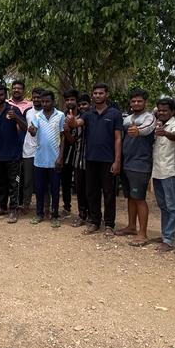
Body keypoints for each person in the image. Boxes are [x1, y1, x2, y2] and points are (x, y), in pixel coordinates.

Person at [68, 83, 123, 235]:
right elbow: (77, 123)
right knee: (92, 192)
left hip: (108, 160)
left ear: (107, 94)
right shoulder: (88, 114)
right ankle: (95, 222)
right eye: (95, 93)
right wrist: (72, 121)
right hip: (90, 159)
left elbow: (118, 138)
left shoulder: (115, 114)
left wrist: (117, 161)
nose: (97, 95)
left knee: (109, 193)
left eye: (101, 93)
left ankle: (109, 224)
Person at [118, 88, 156, 246]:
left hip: (140, 163)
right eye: (133, 101)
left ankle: (143, 233)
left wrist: (137, 130)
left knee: (139, 198)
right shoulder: (127, 119)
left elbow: (147, 129)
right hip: (127, 162)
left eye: (139, 101)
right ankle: (131, 226)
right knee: (130, 197)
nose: (136, 103)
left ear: (145, 102)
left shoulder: (149, 117)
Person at [0, 84, 27, 222]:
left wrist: (16, 118)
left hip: (13, 155)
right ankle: (2, 207)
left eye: (1, 95)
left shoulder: (13, 110)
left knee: (14, 184)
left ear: (5, 96)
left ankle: (14, 210)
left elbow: (25, 127)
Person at [28, 90, 66, 226]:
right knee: (39, 189)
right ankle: (39, 214)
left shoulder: (60, 115)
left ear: (53, 102)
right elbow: (34, 132)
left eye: (47, 101)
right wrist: (32, 131)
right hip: (39, 160)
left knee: (55, 190)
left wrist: (60, 157)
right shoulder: (37, 116)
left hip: (55, 160)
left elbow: (63, 137)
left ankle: (54, 216)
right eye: (42, 101)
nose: (44, 104)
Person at [150, 98, 175, 253]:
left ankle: (169, 239)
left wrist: (165, 133)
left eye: (165, 110)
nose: (162, 113)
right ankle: (165, 235)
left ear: (173, 112)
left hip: (169, 172)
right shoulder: (158, 124)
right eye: (160, 110)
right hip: (157, 172)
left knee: (172, 207)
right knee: (163, 206)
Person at [66, 94, 90, 227]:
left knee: (92, 190)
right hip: (78, 159)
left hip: (93, 160)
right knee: (80, 190)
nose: (82, 107)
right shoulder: (76, 120)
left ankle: (93, 216)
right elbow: (72, 140)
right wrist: (67, 131)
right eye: (80, 105)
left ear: (90, 105)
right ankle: (82, 215)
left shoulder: (95, 119)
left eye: (84, 104)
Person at [19, 88, 43, 214]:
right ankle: (26, 204)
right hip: (28, 150)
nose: (36, 99)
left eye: (39, 97)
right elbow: (23, 127)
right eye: (34, 97)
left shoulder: (48, 112)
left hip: (43, 151)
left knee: (42, 181)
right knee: (27, 180)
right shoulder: (28, 112)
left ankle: (43, 206)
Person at [60, 91, 79, 216]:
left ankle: (84, 210)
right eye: (67, 100)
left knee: (80, 182)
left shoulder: (83, 115)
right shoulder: (62, 115)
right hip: (66, 152)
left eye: (72, 99)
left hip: (80, 153)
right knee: (65, 181)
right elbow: (62, 136)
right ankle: (67, 207)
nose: (69, 102)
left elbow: (73, 139)